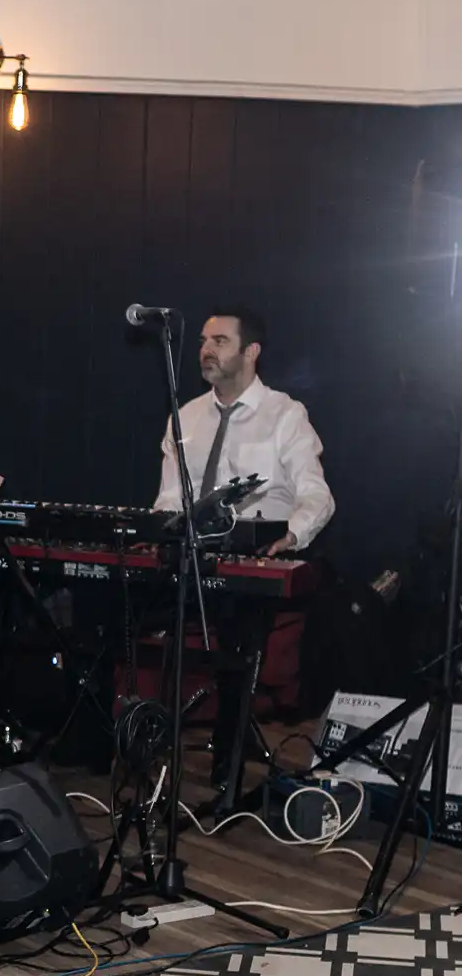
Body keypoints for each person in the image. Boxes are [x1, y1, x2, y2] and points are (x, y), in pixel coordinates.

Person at [152, 306, 334, 787]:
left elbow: (317, 495)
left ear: (251, 352)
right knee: (117, 610)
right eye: (203, 341)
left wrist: (291, 534)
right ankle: (127, 744)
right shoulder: (185, 416)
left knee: (236, 635)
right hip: (188, 555)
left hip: (251, 559)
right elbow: (170, 497)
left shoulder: (284, 414)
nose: (206, 350)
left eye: (220, 341)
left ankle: (225, 780)